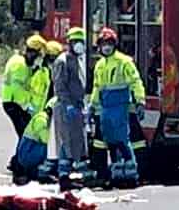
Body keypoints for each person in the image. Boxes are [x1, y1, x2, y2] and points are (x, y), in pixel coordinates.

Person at [89, 27, 147, 185]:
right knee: (111, 141)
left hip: (120, 107)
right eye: (103, 43)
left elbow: (136, 81)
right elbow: (97, 87)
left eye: (109, 43)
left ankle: (130, 173)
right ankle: (117, 173)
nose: (106, 47)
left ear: (114, 44)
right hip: (106, 109)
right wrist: (92, 106)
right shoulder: (100, 65)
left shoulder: (124, 61)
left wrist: (140, 101)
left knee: (123, 140)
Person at [53, 27, 88, 178]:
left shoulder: (77, 60)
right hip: (65, 106)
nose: (79, 45)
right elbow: (59, 85)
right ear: (70, 43)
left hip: (76, 105)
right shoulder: (62, 61)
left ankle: (76, 171)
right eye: (76, 42)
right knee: (65, 140)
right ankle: (64, 173)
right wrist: (67, 104)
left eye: (81, 42)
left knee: (77, 141)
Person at [3, 34, 45, 139]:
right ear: (32, 53)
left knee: (23, 134)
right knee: (25, 135)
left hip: (14, 103)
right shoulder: (20, 65)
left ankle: (20, 154)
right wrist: (27, 106)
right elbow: (17, 89)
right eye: (38, 55)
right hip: (15, 103)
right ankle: (20, 155)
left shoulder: (19, 60)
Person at [14, 97, 56, 184]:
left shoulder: (42, 117)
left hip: (28, 153)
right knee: (51, 149)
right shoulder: (42, 120)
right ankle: (42, 172)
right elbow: (46, 140)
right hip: (28, 155)